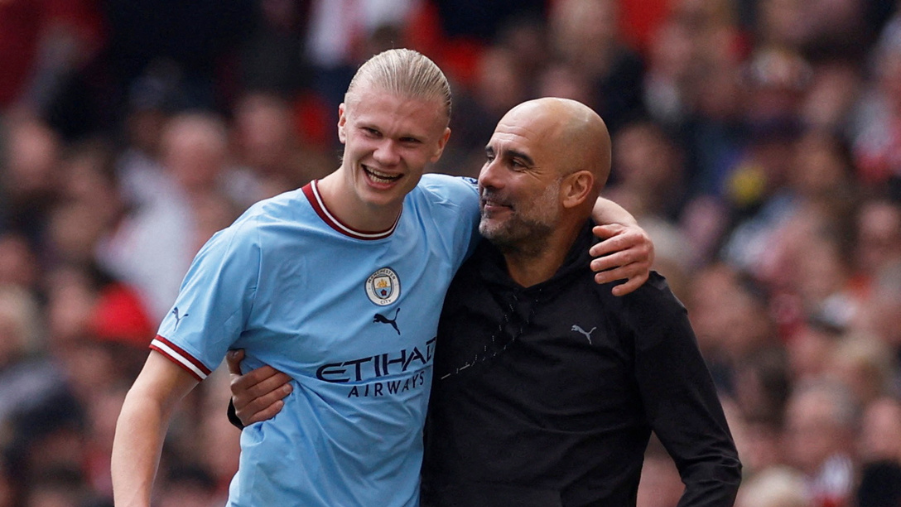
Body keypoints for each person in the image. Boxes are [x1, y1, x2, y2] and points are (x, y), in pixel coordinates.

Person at [111, 49, 653, 507]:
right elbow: (149, 399)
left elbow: (551, 199)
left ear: (440, 145)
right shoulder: (254, 246)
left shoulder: (449, 211)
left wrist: (627, 229)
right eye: (372, 131)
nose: (386, 155)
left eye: (409, 141)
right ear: (343, 121)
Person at [230, 97, 742, 506]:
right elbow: (353, 370)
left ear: (575, 189)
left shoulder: (629, 294)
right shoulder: (448, 267)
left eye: (516, 163)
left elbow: (713, 464)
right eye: (490, 155)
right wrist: (253, 400)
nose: (490, 177)